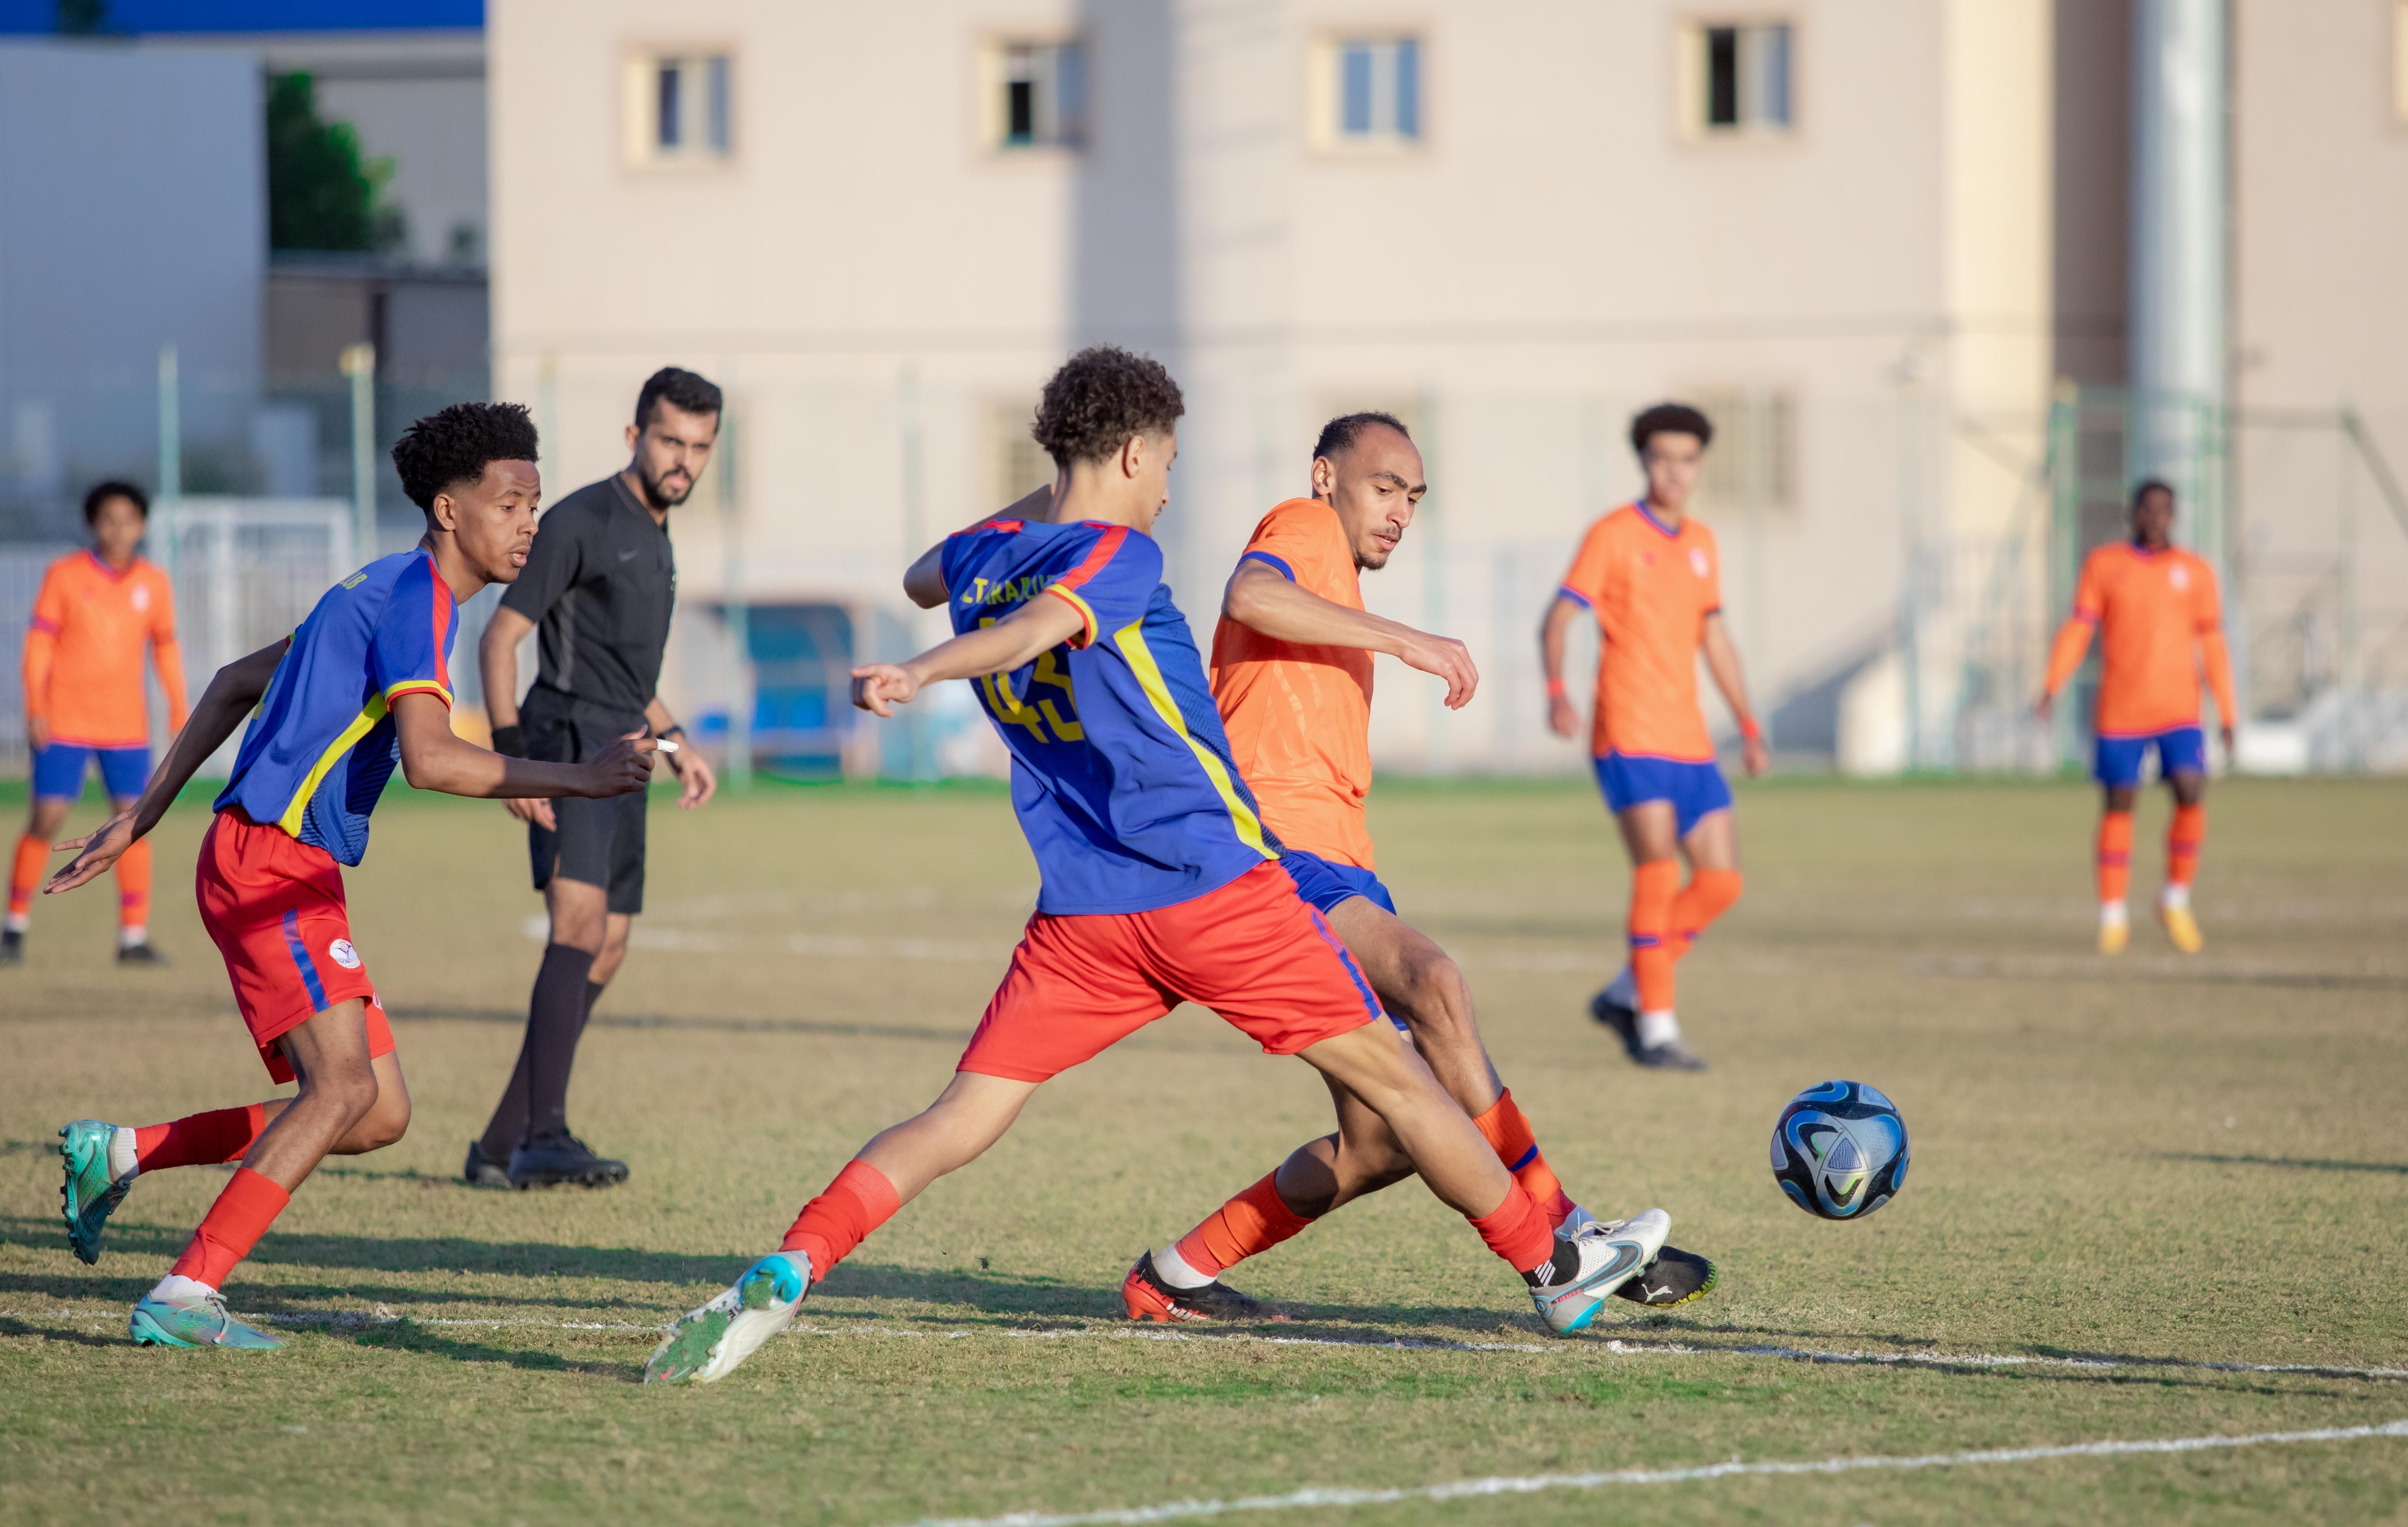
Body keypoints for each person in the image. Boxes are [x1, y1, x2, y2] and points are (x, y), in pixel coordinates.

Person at [644, 348, 1666, 1386]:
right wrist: (921, 670)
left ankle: (796, 1257)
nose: (1171, 485)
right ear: (1131, 452)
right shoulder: (1122, 558)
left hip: (1082, 915)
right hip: (1215, 885)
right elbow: (1041, 626)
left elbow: (923, 576)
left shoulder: (986, 553)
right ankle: (1552, 1264)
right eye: (1167, 461)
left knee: (956, 1118)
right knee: (1404, 1087)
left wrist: (1014, 536)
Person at [48, 403, 656, 1349]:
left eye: (535, 501)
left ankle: (119, 1151)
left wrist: (147, 814)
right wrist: (580, 774)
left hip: (279, 862)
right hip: (270, 864)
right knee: (338, 1090)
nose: (529, 521)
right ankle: (184, 1290)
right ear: (451, 510)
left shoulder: (381, 585)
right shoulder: (417, 601)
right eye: (511, 502)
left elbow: (233, 682)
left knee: (375, 1110)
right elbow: (430, 758)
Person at [1125, 412, 1715, 1323]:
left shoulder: (1339, 575)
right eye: (1384, 486)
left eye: (1414, 497)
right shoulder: (1303, 524)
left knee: (1379, 1143)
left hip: (1341, 865)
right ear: (1326, 477)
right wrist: (1407, 639)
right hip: (1274, 853)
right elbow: (1248, 594)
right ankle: (1563, 1242)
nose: (1400, 510)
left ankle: (1174, 1275)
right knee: (1433, 979)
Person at [464, 368, 721, 1192]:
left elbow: (621, 667)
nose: (683, 460)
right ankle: (544, 1135)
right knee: (576, 928)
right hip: (566, 741)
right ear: (634, 436)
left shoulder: (656, 531)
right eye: (670, 440)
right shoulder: (580, 519)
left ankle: (502, 1141)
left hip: (628, 749)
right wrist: (510, 763)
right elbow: (501, 639)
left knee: (608, 944)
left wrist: (677, 740)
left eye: (699, 447)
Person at [1540, 403, 1769, 1072]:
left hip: (1691, 741)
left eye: (1687, 459)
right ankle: (1657, 1029)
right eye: (1662, 457)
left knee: (1721, 882)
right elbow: (1558, 618)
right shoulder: (1611, 534)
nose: (1674, 470)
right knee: (1659, 871)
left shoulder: (1701, 542)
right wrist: (1557, 692)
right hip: (1628, 733)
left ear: (1700, 465)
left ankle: (1623, 991)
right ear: (1643, 461)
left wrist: (1748, 725)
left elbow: (1715, 638)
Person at [2037, 478, 2237, 955]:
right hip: (2122, 710)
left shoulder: (2196, 572)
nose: (2154, 517)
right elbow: (2079, 628)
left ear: (2175, 515)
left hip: (2179, 709)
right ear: (2132, 513)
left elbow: (2211, 645)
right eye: (2146, 509)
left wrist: (2228, 711)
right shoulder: (2105, 565)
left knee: (2191, 788)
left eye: (2163, 510)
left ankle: (2174, 898)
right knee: (2119, 802)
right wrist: (2051, 684)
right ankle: (2112, 915)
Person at [7, 482, 186, 966]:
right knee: (47, 818)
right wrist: (35, 705)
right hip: (64, 719)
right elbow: (40, 645)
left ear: (143, 525)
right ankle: (14, 926)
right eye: (108, 519)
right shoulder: (64, 575)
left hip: (125, 724)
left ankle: (133, 936)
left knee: (134, 822)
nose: (119, 529)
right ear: (92, 524)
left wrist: (177, 708)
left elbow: (165, 648)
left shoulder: (155, 582)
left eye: (128, 519)